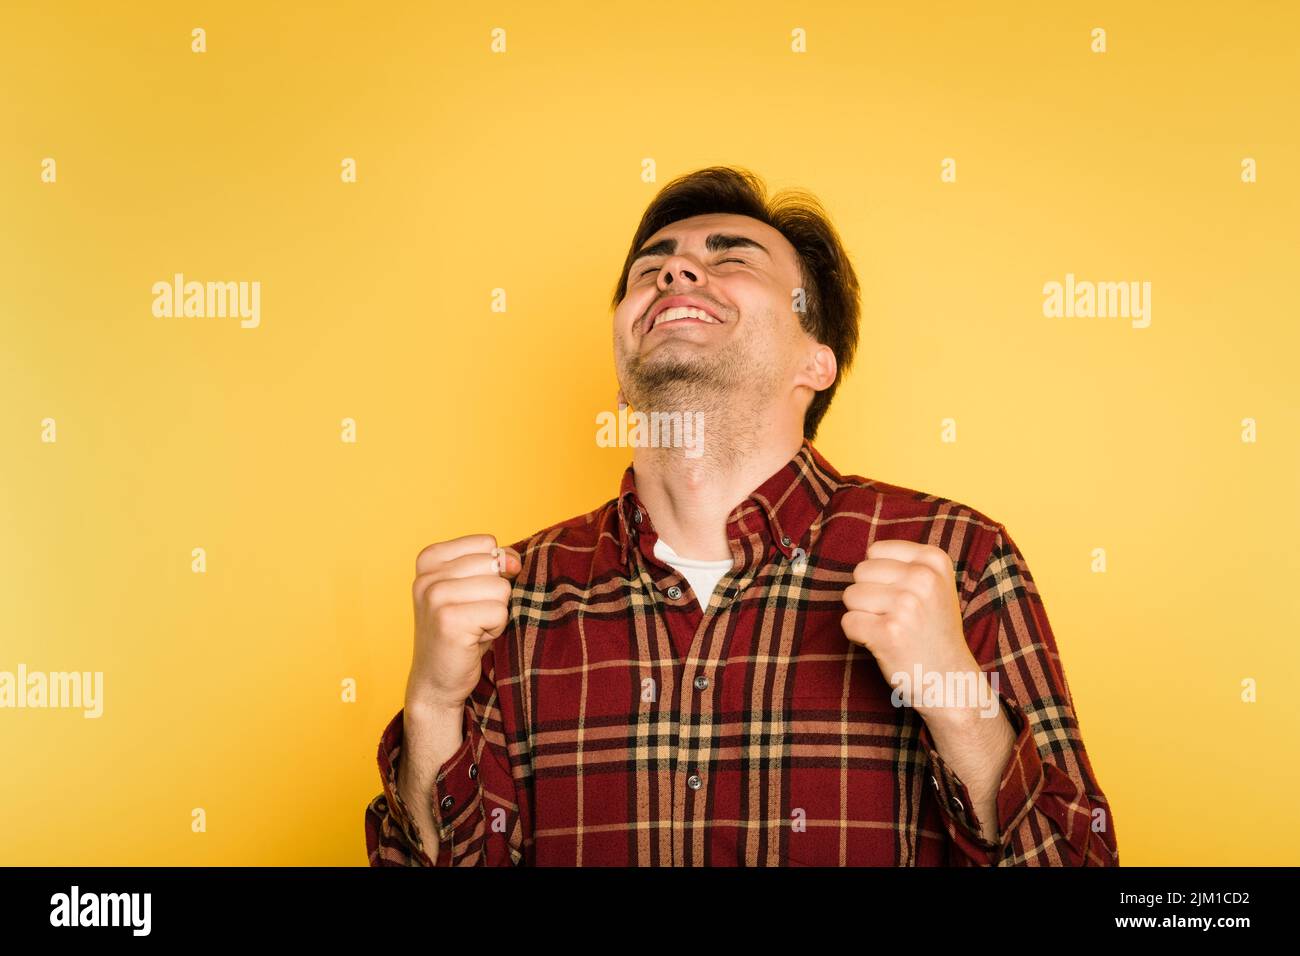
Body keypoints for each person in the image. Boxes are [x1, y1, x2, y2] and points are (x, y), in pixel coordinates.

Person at [365, 166, 1119, 866]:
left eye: (733, 259)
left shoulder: (956, 554)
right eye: (650, 268)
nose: (675, 271)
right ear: (623, 375)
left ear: (815, 364)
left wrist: (953, 690)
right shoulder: (511, 598)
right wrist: (433, 700)